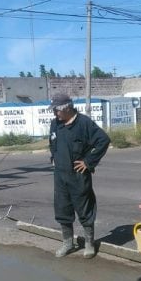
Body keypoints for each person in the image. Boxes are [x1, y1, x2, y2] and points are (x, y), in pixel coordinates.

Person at [48, 93, 110, 258]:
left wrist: (88, 162)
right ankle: (68, 243)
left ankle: (89, 243)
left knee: (84, 208)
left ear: (67, 108)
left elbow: (103, 140)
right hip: (60, 176)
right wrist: (54, 157)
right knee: (62, 209)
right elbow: (52, 142)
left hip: (78, 175)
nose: (55, 113)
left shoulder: (83, 123)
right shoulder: (55, 123)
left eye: (57, 110)